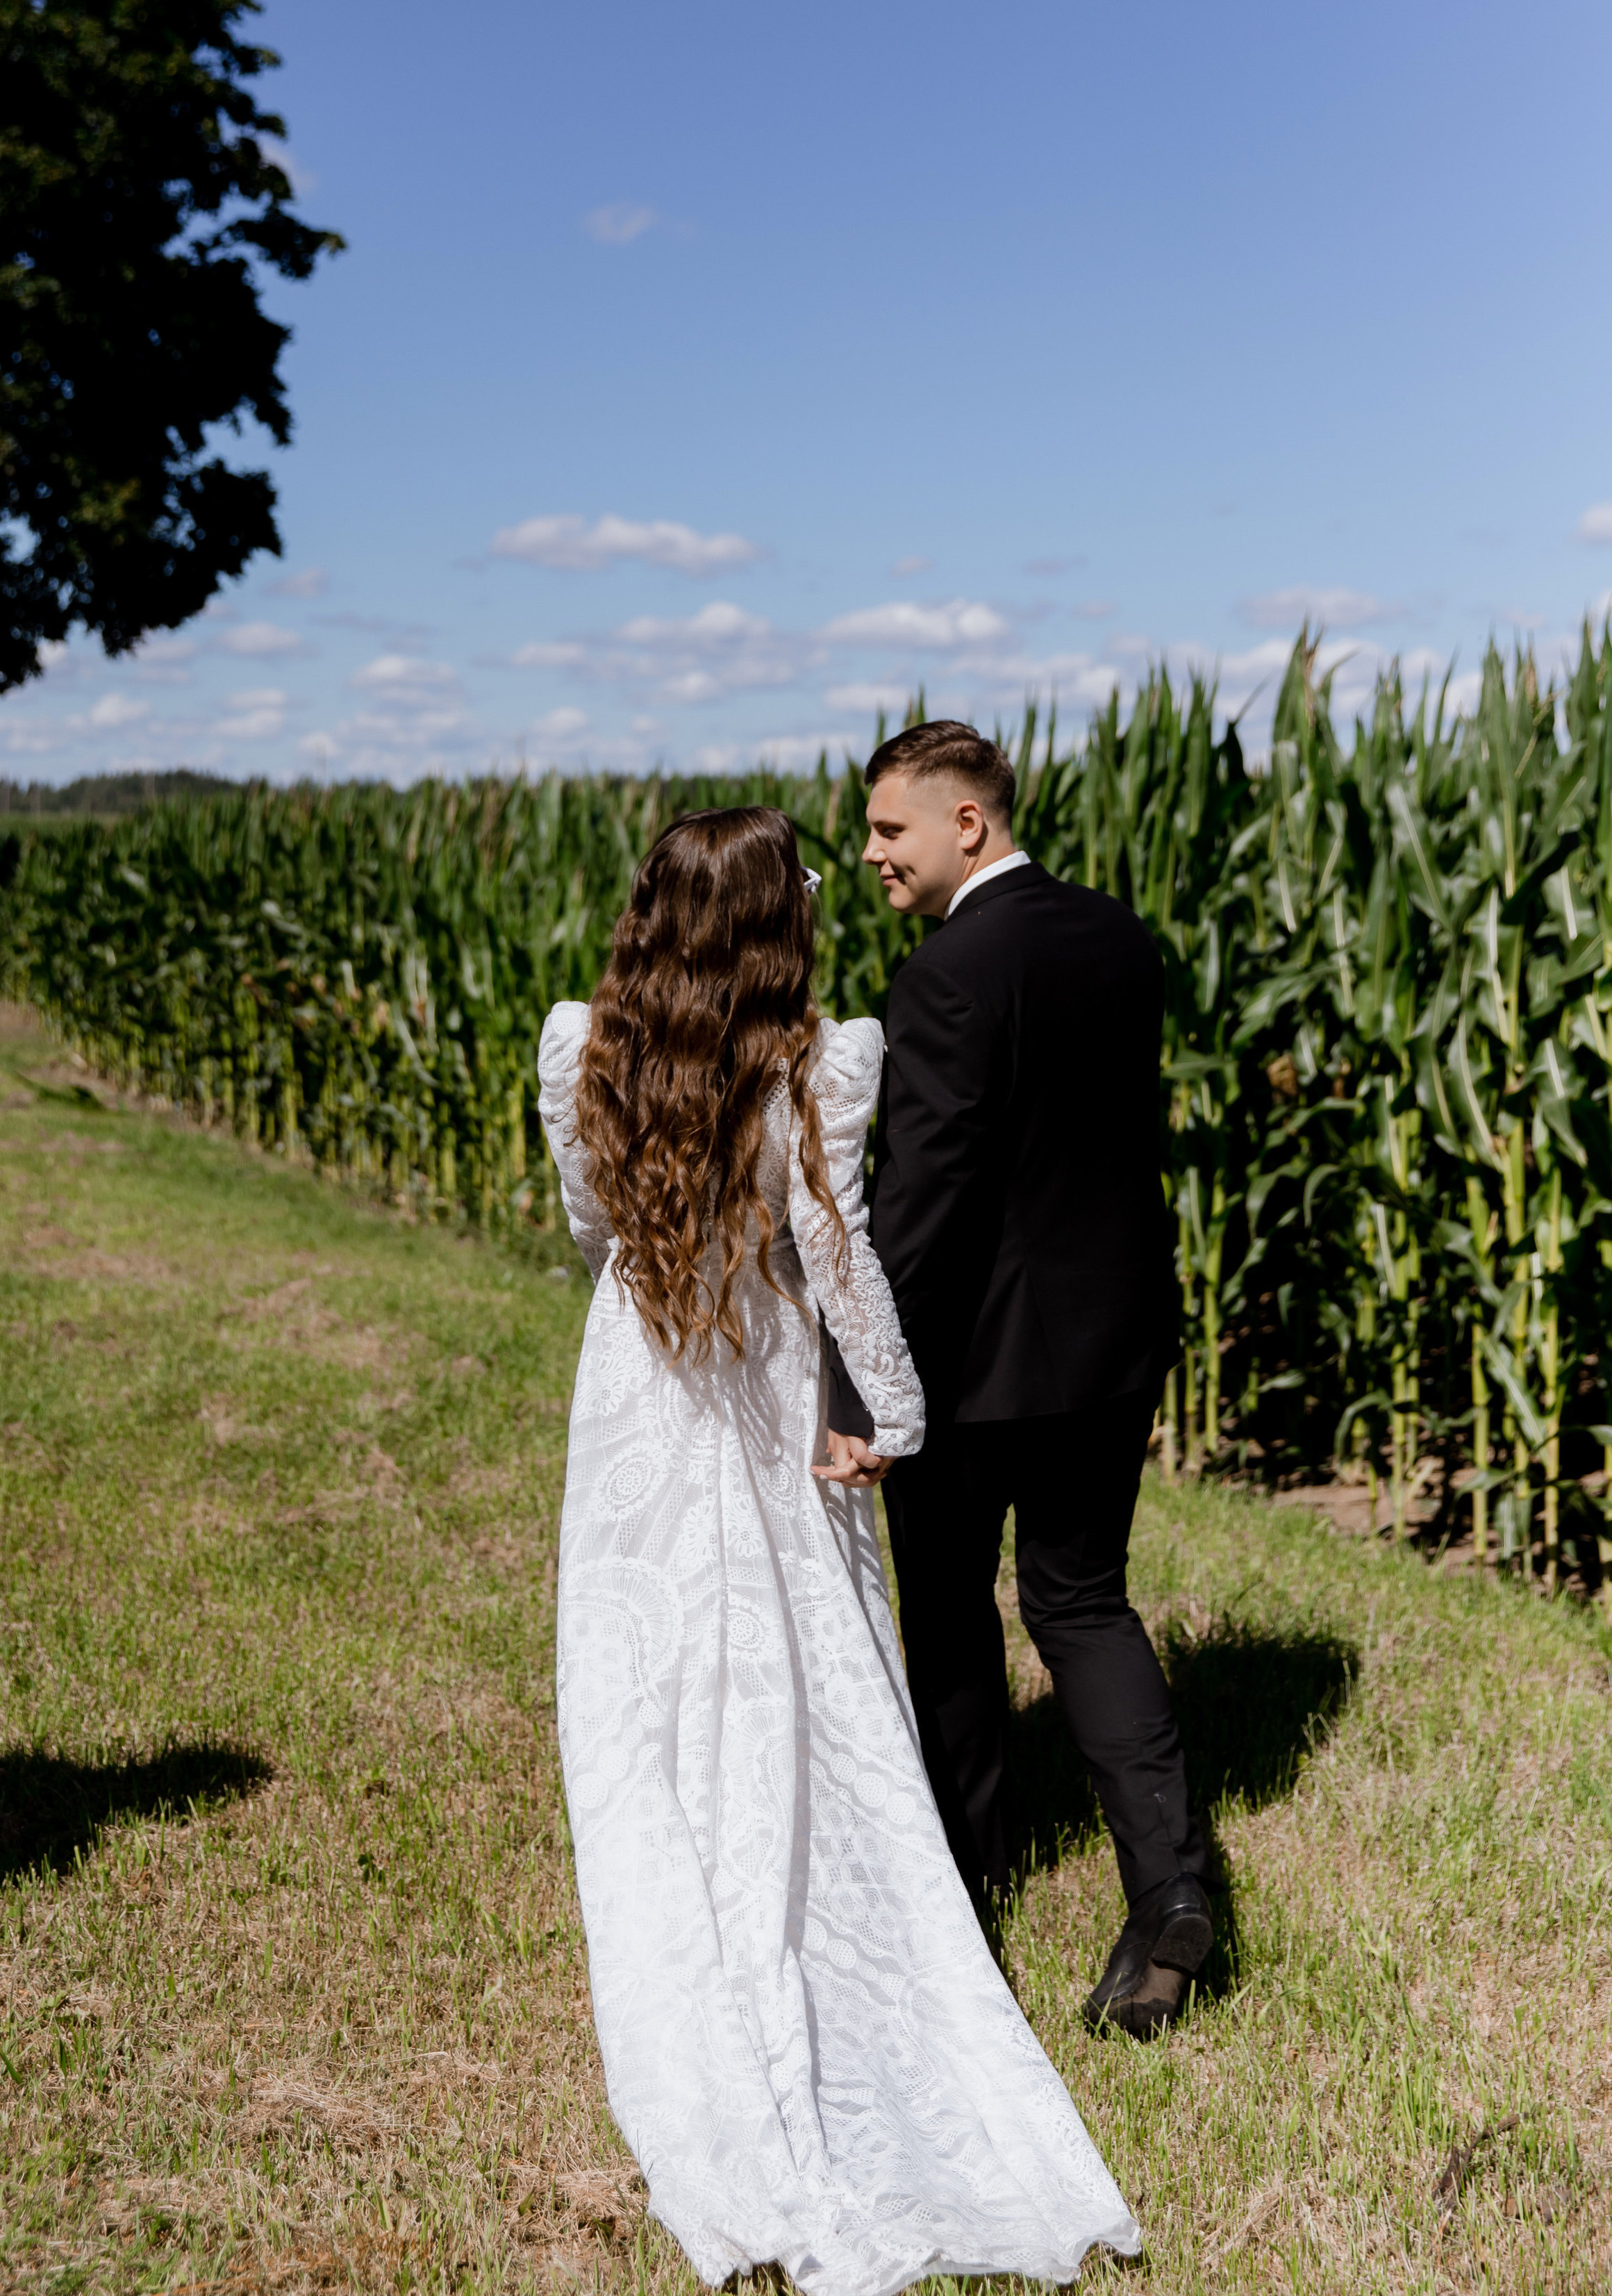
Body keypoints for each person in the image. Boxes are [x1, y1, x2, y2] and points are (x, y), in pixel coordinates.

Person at [538, 804, 1140, 2296]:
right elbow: (838, 1251)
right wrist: (888, 1411)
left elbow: (587, 1223)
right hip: (765, 1379)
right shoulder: (828, 1060)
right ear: (770, 922)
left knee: (649, 1666)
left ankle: (682, 1879)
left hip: (641, 1371)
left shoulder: (576, 1045)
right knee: (811, 1656)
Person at [859, 720, 1213, 2040]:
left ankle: (964, 1883)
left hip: (980, 1364)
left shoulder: (949, 970)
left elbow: (931, 1200)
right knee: (1081, 1603)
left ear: (970, 824)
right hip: (1115, 1342)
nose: (873, 853)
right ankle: (1169, 1885)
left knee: (952, 1616)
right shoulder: (1119, 935)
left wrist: (865, 1377)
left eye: (892, 829)